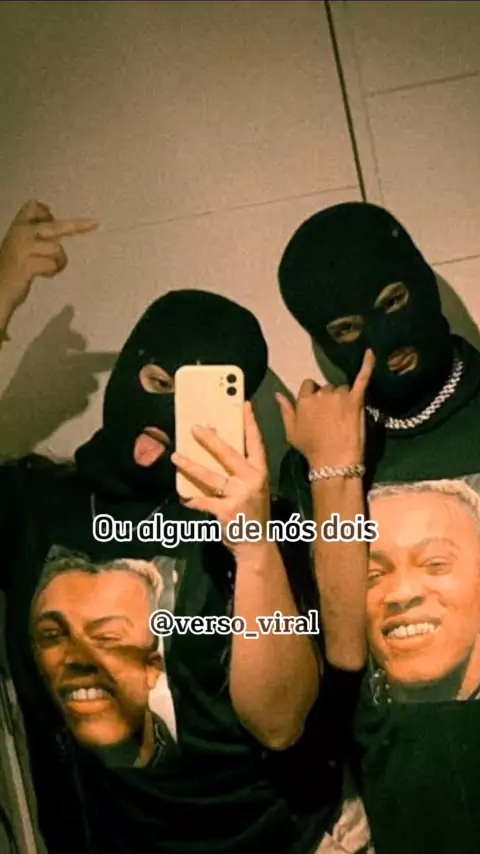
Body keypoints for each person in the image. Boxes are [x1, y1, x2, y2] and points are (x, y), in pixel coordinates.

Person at [0, 199, 371, 854]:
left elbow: (281, 724)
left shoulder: (260, 523)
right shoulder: (34, 504)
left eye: (194, 398)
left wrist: (254, 547)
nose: (163, 414)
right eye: (155, 380)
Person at [278, 200, 480, 854]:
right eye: (345, 328)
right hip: (409, 821)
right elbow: (321, 669)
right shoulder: (316, 463)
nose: (384, 339)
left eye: (394, 300)